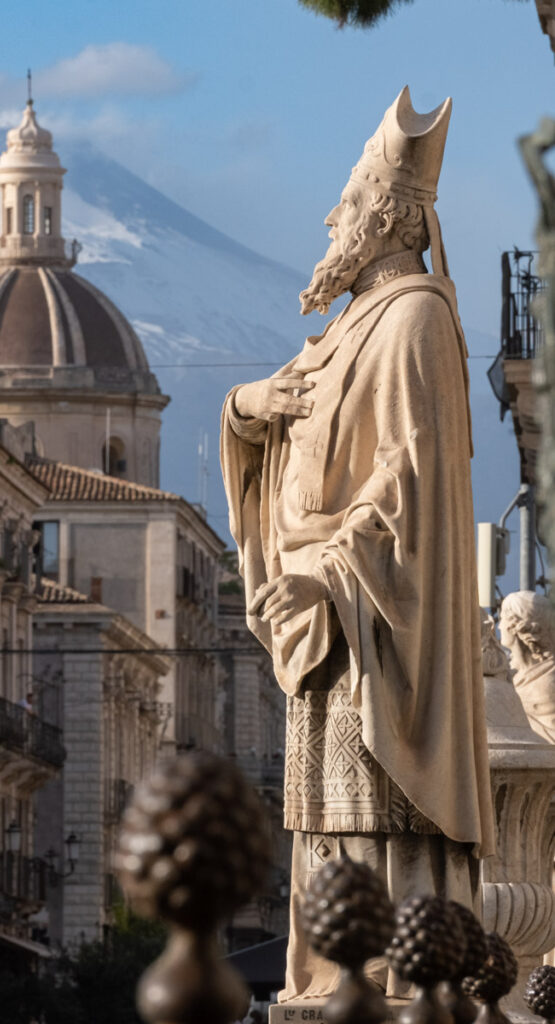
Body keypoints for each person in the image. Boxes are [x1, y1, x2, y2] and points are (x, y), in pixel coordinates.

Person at [220, 87, 495, 999]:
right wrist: (243, 409)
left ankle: (384, 983)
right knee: (325, 817)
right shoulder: (342, 327)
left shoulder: (414, 317)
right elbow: (274, 413)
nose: (328, 218)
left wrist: (331, 579)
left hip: (366, 624)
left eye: (343, 203)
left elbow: (409, 486)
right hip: (321, 635)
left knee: (370, 806)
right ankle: (328, 981)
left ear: (384, 214)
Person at [499, 590, 555, 743]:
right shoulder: (507, 673)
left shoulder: (547, 682)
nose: (499, 626)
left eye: (502, 619)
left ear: (515, 625)